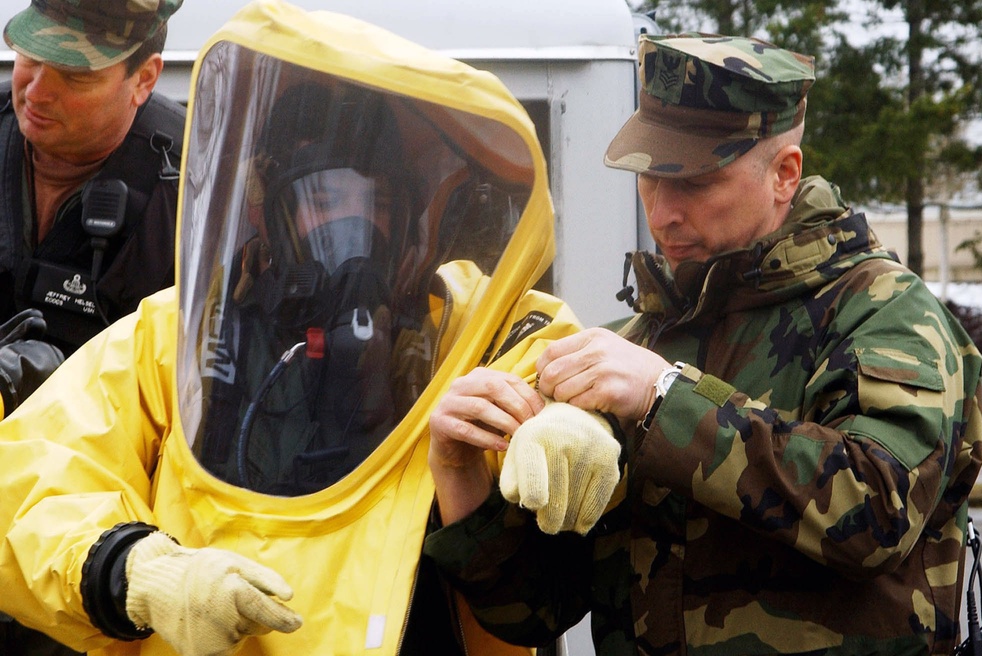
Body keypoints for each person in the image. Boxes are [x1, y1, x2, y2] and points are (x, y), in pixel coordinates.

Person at [0, 1, 585, 654]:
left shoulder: (464, 337)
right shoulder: (180, 340)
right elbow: (34, 480)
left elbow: (551, 357)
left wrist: (569, 419)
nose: (354, 229)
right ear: (268, 213)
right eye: (324, 200)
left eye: (378, 203)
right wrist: (136, 570)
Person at [424, 33, 982, 655]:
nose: (661, 212)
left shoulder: (883, 312)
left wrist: (664, 399)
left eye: (693, 182)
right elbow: (533, 608)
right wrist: (458, 471)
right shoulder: (639, 345)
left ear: (783, 174)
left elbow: (875, 516)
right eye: (650, 177)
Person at [0, 2, 185, 654]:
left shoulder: (195, 194)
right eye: (30, 58)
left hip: (95, 546)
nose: (38, 90)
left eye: (74, 77)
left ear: (144, 78)